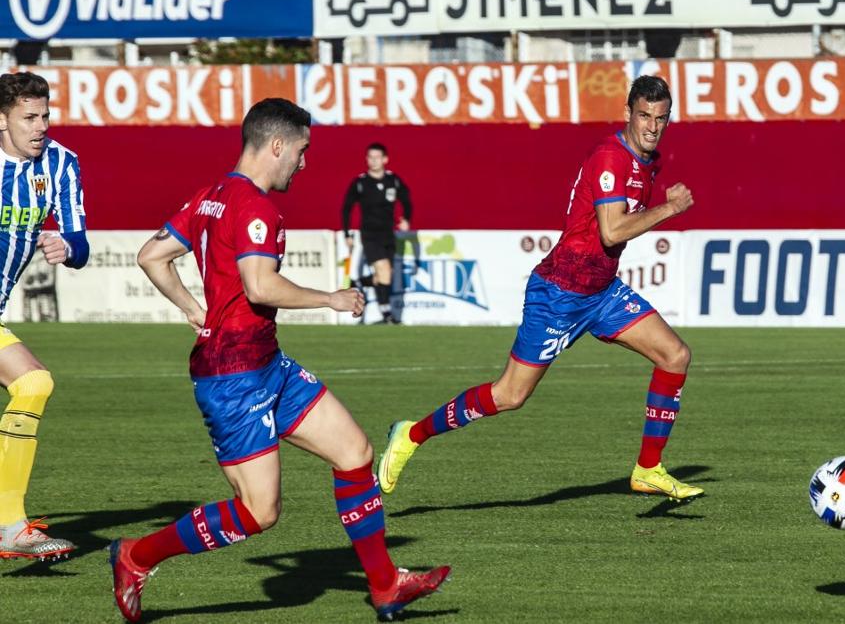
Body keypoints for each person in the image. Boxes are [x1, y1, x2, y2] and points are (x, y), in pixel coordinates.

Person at [114, 99, 449, 623]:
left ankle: (386, 586)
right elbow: (260, 284)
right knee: (258, 512)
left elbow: (151, 256)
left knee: (356, 452)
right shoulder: (255, 206)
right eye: (302, 150)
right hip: (232, 377)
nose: (304, 161)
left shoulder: (210, 195)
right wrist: (331, 299)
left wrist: (194, 310)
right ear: (277, 145)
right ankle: (136, 556)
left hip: (267, 363)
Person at [378, 75, 703, 501]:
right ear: (627, 113)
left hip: (601, 293)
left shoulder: (648, 161)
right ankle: (411, 434)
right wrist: (668, 209)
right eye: (644, 115)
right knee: (510, 395)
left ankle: (648, 468)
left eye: (661, 118)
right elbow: (611, 231)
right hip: (560, 292)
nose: (652, 126)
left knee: (675, 355)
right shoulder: (611, 157)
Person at [0, 72, 90, 561]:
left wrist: (66, 245)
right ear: (1, 119)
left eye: (45, 116)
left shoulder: (60, 164)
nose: (41, 127)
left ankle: (10, 526)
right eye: (28, 118)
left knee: (33, 384)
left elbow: (80, 242)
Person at [342, 143, 411, 324]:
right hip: (370, 235)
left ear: (385, 159)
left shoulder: (393, 180)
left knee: (383, 276)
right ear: (367, 159)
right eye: (370, 157)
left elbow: (407, 200)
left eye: (377, 157)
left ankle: (358, 282)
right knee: (385, 272)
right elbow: (346, 209)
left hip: (388, 235)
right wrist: (347, 234)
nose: (373, 161)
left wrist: (406, 219)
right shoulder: (361, 182)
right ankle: (387, 315)